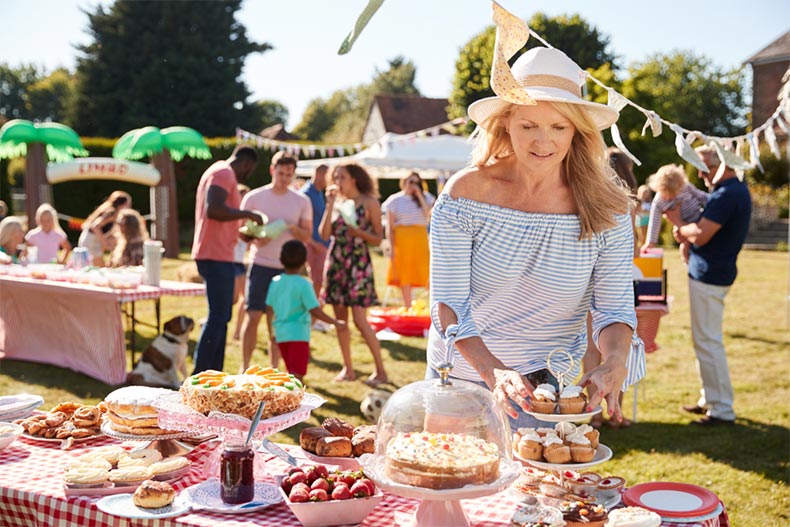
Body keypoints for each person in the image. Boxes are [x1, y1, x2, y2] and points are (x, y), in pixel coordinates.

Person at [427, 47, 644, 429]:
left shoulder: (608, 208)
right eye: (529, 126)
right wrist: (494, 372)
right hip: (462, 377)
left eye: (558, 127)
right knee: (449, 483)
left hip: (546, 387)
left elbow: (613, 310)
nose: (543, 142)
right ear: (505, 122)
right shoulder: (466, 195)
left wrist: (613, 362)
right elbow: (449, 303)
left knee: (535, 490)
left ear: (577, 130)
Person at [669, 146, 751, 426]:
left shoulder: (728, 194)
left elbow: (702, 234)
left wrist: (680, 226)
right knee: (704, 340)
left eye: (705, 167)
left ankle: (721, 409)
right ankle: (710, 399)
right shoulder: (730, 191)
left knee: (708, 341)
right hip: (712, 272)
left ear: (725, 164)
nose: (701, 173)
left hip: (711, 275)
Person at [191, 145, 264, 374]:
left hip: (218, 253)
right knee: (218, 317)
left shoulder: (220, 171)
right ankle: (201, 375)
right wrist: (248, 214)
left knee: (222, 316)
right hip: (214, 255)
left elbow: (218, 216)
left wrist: (240, 232)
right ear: (247, 163)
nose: (247, 174)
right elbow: (214, 209)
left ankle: (215, 373)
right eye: (249, 170)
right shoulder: (224, 173)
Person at [240, 151, 312, 373]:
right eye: (281, 173)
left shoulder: (301, 200)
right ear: (272, 171)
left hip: (287, 269)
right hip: (260, 263)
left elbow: (307, 236)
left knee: (277, 321)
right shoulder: (253, 197)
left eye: (289, 174)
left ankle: (273, 368)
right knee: (252, 316)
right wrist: (254, 238)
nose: (285, 178)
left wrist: (291, 227)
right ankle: (244, 367)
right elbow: (242, 232)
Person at [582, 147, 639, 429]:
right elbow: (634, 248)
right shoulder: (626, 203)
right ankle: (617, 410)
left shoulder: (592, 197)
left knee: (593, 349)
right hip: (616, 281)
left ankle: (593, 413)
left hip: (589, 281)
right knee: (618, 350)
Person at [319, 164, 389, 386]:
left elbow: (378, 238)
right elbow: (324, 234)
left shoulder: (369, 203)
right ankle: (348, 369)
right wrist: (329, 205)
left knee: (360, 320)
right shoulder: (336, 203)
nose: (338, 181)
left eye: (342, 177)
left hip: (357, 263)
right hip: (337, 262)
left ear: (354, 179)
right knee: (341, 321)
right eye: (335, 176)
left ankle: (381, 371)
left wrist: (358, 232)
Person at [265, 240, 346, 381]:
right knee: (297, 376)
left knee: (289, 372)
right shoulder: (304, 284)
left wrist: (271, 331)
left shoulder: (275, 282)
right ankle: (294, 402)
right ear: (304, 261)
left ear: (281, 260)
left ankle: (287, 400)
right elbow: (315, 310)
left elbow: (269, 308)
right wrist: (335, 322)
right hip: (298, 335)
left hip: (281, 334)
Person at [382, 171, 435, 306]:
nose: (413, 185)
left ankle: (431, 306)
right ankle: (408, 306)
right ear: (404, 183)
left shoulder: (427, 198)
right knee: (405, 274)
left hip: (420, 238)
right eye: (410, 181)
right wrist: (391, 246)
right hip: (402, 240)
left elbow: (428, 216)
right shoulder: (394, 200)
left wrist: (419, 196)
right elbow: (390, 226)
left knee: (426, 271)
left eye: (416, 182)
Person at [643, 163, 709, 262]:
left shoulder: (686, 187)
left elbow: (701, 196)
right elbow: (654, 221)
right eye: (667, 196)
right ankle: (689, 264)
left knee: (702, 242)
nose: (671, 198)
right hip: (683, 227)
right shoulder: (658, 202)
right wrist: (650, 242)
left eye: (674, 194)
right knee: (685, 247)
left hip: (699, 217)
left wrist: (715, 199)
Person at [299, 164, 332, 332]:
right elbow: (302, 222)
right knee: (317, 282)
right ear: (319, 174)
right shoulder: (307, 194)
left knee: (320, 282)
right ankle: (311, 319)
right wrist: (314, 243)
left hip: (322, 244)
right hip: (314, 246)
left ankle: (314, 318)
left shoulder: (319, 193)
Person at [78, 190, 131, 266]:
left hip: (94, 241)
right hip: (90, 242)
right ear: (120, 205)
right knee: (98, 269)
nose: (129, 207)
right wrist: (105, 243)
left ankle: (111, 263)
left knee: (100, 267)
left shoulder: (116, 215)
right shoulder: (111, 213)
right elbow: (95, 227)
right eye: (127, 204)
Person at [231, 184, 252, 341]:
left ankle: (238, 332)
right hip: (230, 263)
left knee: (246, 299)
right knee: (232, 299)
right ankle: (207, 322)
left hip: (241, 263)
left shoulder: (247, 221)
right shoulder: (231, 218)